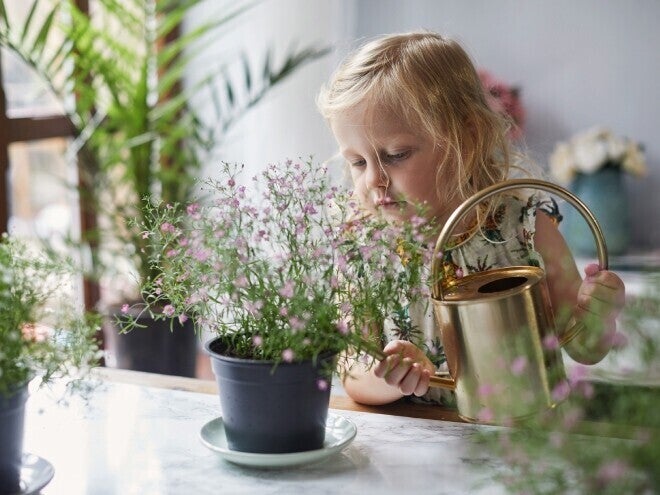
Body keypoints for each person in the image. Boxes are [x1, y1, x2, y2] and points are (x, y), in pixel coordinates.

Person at [316, 31, 626, 406]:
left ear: (466, 135)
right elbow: (353, 374)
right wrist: (392, 376)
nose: (374, 180)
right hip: (414, 441)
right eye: (358, 162)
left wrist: (599, 316)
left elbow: (585, 348)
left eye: (396, 154)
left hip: (516, 437)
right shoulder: (360, 245)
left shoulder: (524, 225)